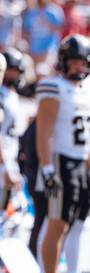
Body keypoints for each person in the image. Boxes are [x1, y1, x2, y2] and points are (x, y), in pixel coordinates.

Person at [35, 34, 90, 273]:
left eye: (82, 62)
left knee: (69, 223)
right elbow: (44, 133)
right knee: (57, 224)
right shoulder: (53, 87)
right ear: (63, 62)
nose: (78, 67)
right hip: (60, 160)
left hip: (78, 160)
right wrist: (48, 170)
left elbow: (88, 134)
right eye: (73, 62)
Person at [0, 49, 23, 211]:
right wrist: (5, 166)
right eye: (10, 70)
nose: (14, 74)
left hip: (8, 157)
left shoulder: (11, 95)